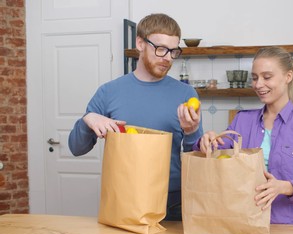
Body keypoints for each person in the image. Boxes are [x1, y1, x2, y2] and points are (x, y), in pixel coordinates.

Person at [68, 13, 203, 221]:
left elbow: (197, 159)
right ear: (140, 43)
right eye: (160, 49)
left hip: (174, 204)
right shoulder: (108, 92)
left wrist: (192, 132)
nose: (167, 58)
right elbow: (76, 149)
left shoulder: (186, 94)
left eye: (173, 51)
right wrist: (88, 119)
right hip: (123, 199)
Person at [194, 46, 293, 225]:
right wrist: (206, 141)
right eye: (255, 78)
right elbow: (215, 157)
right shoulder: (242, 120)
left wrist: (283, 186)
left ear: (288, 76)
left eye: (267, 77)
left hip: (286, 226)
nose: (258, 84)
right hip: (240, 222)